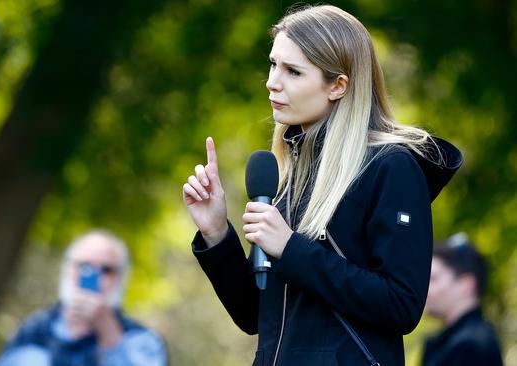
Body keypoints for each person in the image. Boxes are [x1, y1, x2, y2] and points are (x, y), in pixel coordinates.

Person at [182, 4, 463, 366]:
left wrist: (291, 248)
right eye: (273, 64)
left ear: (338, 86)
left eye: (293, 71)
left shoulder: (390, 167)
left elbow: (402, 305)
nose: (272, 81)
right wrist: (217, 234)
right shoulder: (290, 176)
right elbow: (255, 316)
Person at [0, 230, 167, 366]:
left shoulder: (142, 340)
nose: (95, 277)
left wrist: (109, 335)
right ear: (67, 269)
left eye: (107, 270)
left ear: (121, 278)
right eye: (84, 266)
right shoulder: (35, 329)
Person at [422, 233, 503, 366]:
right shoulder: (457, 341)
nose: (426, 289)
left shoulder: (470, 345)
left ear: (466, 285)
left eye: (433, 279)